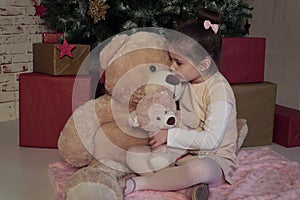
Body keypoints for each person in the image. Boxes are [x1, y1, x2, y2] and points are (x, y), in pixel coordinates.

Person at [122, 8, 238, 200]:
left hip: (214, 158)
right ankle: (186, 189)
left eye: (178, 62)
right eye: (170, 59)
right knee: (132, 156)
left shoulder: (220, 92)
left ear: (203, 65)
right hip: (181, 152)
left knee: (202, 169)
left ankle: (140, 184)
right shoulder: (185, 79)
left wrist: (170, 135)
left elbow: (211, 142)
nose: (171, 67)